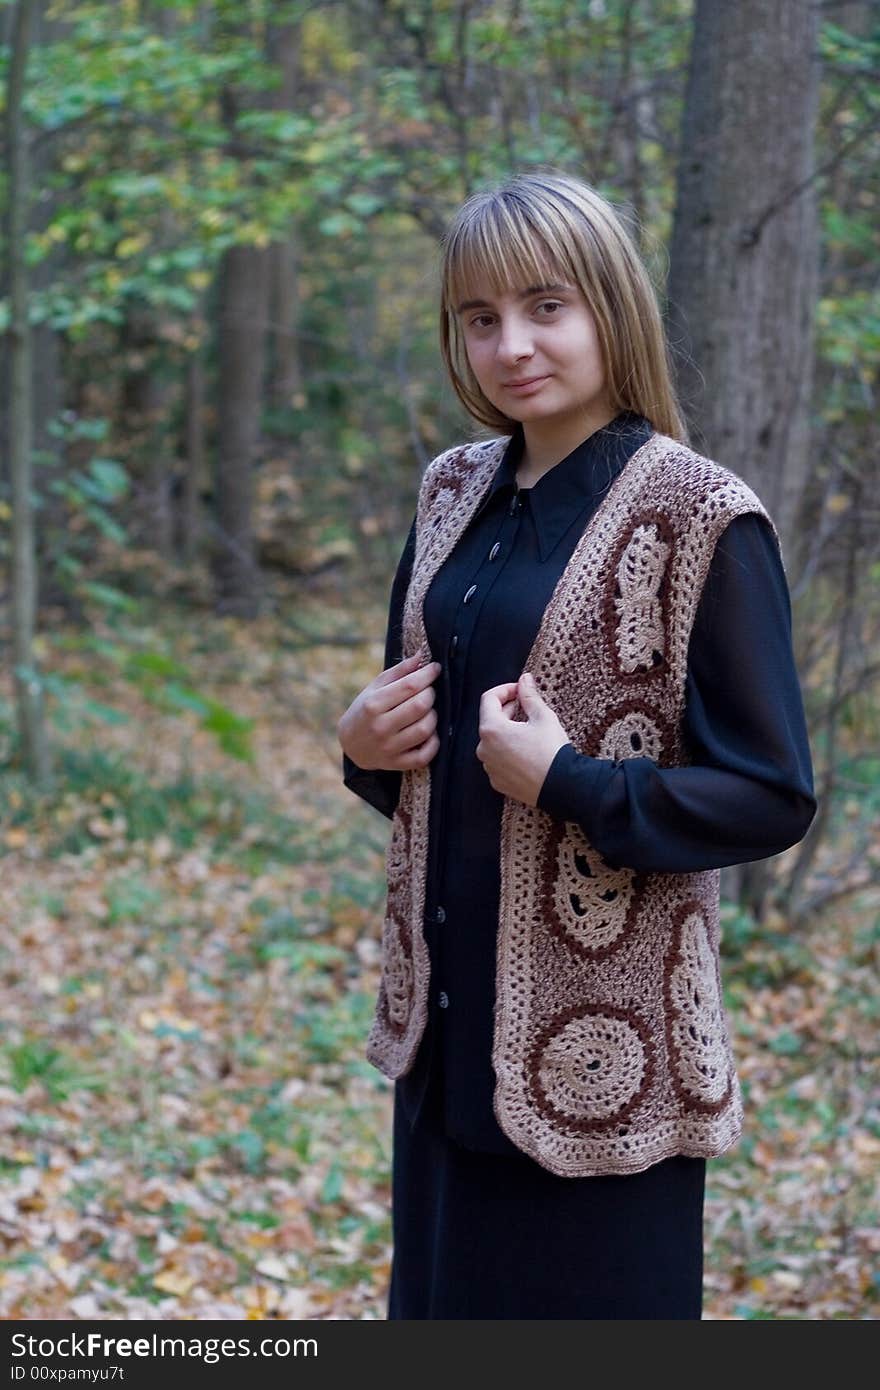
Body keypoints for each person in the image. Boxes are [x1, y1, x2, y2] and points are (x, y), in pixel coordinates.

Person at [336, 170, 817, 1320]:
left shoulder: (702, 514)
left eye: (545, 307)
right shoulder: (452, 491)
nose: (511, 346)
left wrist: (571, 782)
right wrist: (361, 743)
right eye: (479, 318)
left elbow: (770, 794)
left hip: (609, 1072)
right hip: (447, 1052)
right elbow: (430, 762)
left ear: (609, 304)